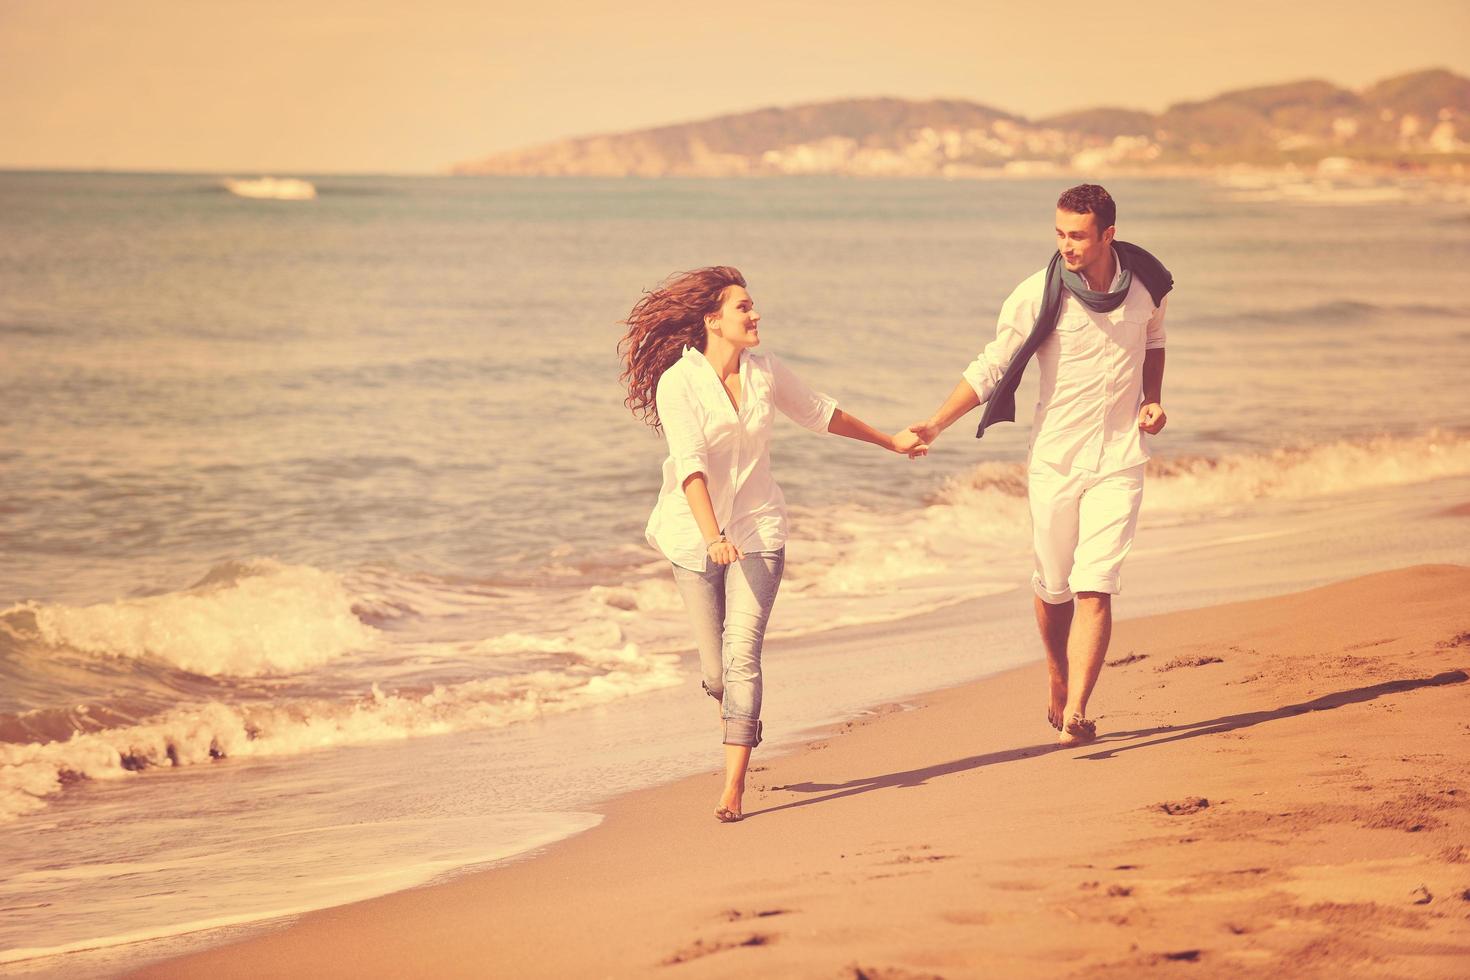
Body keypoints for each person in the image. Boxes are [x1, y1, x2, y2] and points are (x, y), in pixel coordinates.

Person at [620, 266, 926, 822]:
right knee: (716, 673)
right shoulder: (678, 383)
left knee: (742, 656)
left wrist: (889, 442)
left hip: (760, 528)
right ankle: (741, 712)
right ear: (713, 321)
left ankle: (732, 785)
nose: (755, 314)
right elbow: (689, 466)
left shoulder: (765, 372)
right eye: (743, 307)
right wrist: (712, 536)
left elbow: (820, 413)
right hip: (694, 536)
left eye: (752, 305)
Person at [908, 184, 1172, 747]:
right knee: (1054, 586)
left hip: (1120, 456)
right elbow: (990, 366)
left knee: (1095, 585)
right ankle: (1057, 674)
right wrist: (935, 423)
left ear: (1108, 234)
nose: (1066, 245)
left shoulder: (1147, 286)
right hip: (1055, 459)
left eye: (1077, 235)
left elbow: (1154, 341)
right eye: (1059, 233)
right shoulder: (1038, 294)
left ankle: (1077, 709)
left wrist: (1152, 399)